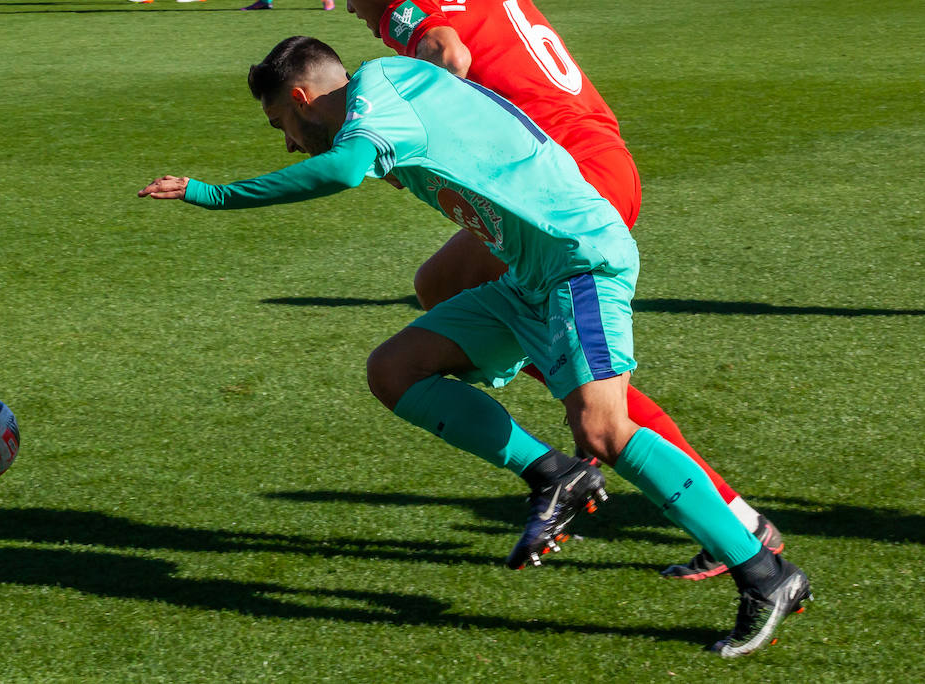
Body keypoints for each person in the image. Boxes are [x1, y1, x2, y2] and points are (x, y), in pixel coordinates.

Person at [139, 36, 811, 657]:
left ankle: (763, 574)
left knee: (605, 428)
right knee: (395, 370)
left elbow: (344, 169)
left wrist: (213, 194)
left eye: (280, 127)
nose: (287, 143)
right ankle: (553, 476)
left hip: (578, 263)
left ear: (301, 98)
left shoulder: (379, 91)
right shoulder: (394, 99)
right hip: (527, 279)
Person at [321, 0, 780, 581]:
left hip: (568, 188)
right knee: (440, 286)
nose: (349, 6)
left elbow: (448, 53)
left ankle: (729, 517)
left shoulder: (406, 9)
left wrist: (422, 123)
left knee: (582, 389)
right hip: (604, 158)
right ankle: (682, 489)